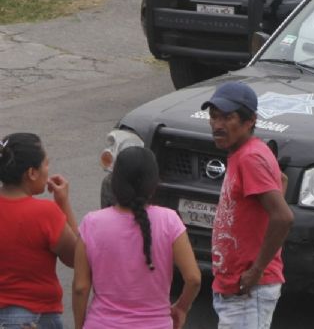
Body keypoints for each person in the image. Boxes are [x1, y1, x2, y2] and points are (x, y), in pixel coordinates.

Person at [72, 146, 202, 329]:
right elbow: (194, 278)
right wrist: (181, 308)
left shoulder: (92, 223)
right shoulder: (169, 221)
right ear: (154, 183)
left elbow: (80, 288)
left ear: (115, 181)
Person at [203, 81, 294, 329]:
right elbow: (281, 180)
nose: (217, 125)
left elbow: (283, 217)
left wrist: (257, 269)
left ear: (250, 120)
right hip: (233, 286)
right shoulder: (245, 152)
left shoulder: (250, 157)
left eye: (227, 118)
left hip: (248, 289)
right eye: (213, 117)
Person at [0, 133, 78, 329]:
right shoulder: (45, 213)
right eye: (46, 164)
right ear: (32, 173)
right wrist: (63, 203)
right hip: (34, 317)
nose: (48, 170)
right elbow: (77, 257)